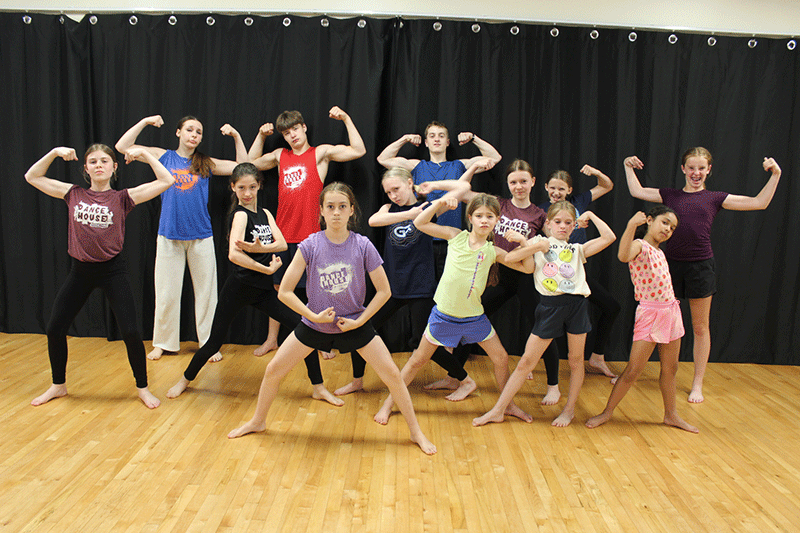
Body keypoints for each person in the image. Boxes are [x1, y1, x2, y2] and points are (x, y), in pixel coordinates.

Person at [228, 183, 436, 454]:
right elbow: (285, 292)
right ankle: (258, 421)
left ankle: (416, 432)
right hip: (315, 323)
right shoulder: (310, 245)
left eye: (342, 207)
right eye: (330, 207)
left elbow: (385, 291)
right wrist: (312, 315)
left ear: (351, 210)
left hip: (352, 323)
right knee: (273, 371)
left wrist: (361, 322)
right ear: (322, 211)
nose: (336, 213)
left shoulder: (363, 245)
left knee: (393, 377)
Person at [165, 163, 341, 405]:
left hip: (263, 291)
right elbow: (234, 256)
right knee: (214, 342)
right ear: (233, 188)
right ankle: (184, 380)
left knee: (304, 330)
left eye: (252, 187)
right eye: (241, 188)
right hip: (239, 287)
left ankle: (318, 386)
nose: (247, 193)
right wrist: (265, 267)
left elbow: (281, 244)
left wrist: (260, 249)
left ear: (259, 186)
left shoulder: (265, 214)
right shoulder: (240, 215)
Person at [624, 149, 781, 403]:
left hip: (700, 267)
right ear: (683, 169)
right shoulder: (670, 195)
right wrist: (627, 167)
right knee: (657, 320)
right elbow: (637, 191)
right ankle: (636, 370)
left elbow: (759, 202)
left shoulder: (715, 197)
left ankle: (697, 382)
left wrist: (775, 174)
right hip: (668, 266)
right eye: (691, 168)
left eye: (701, 168)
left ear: (709, 170)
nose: (696, 173)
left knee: (699, 327)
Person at [25, 144, 175, 409]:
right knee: (54, 328)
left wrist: (146, 155)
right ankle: (58, 385)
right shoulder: (73, 194)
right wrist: (54, 153)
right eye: (92, 161)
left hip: (113, 271)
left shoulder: (123, 198)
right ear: (85, 168)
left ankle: (142, 388)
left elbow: (167, 179)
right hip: (80, 271)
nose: (98, 165)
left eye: (104, 161)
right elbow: (32, 177)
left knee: (130, 331)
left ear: (114, 167)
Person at [373, 188, 535, 425]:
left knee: (500, 358)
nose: (484, 220)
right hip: (445, 317)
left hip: (474, 319)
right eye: (479, 215)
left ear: (497, 221)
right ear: (470, 218)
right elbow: (419, 222)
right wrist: (439, 204)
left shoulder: (493, 251)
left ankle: (507, 405)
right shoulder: (455, 235)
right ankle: (389, 403)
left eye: (490, 216)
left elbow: (528, 267)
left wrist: (525, 242)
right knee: (418, 360)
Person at [116, 115, 248, 362]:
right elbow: (122, 147)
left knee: (207, 295)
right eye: (189, 129)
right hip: (169, 235)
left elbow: (245, 167)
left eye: (198, 132)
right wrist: (144, 122)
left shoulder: (205, 163)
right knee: (166, 293)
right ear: (178, 132)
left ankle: (209, 344)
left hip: (201, 236)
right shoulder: (164, 156)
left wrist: (236, 136)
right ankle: (163, 343)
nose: (194, 135)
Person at [472, 201, 616, 427]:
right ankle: (498, 409)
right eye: (557, 222)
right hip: (550, 307)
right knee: (526, 362)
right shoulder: (539, 242)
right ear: (547, 223)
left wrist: (589, 215)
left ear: (574, 226)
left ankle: (569, 411)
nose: (563, 226)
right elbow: (519, 261)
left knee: (576, 361)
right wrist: (524, 242)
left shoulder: (577, 249)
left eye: (568, 223)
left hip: (577, 306)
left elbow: (609, 238)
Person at [247, 107, 366, 357]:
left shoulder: (319, 153)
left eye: (295, 129)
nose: (292, 135)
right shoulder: (281, 155)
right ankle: (272, 339)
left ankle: (325, 341)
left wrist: (346, 118)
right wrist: (260, 136)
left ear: (304, 128)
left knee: (319, 290)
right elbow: (249, 165)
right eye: (287, 133)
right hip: (283, 234)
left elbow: (359, 150)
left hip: (313, 236)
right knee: (279, 289)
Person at [586, 207, 698, 432]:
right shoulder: (640, 245)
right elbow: (622, 255)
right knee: (633, 371)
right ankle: (607, 412)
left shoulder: (659, 251)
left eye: (672, 227)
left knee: (671, 369)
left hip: (671, 313)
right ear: (649, 220)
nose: (668, 229)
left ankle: (671, 415)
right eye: (665, 223)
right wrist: (630, 225)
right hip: (650, 313)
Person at [376, 123, 501, 277]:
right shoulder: (417, 165)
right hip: (422, 237)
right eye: (432, 136)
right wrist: (404, 139)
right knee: (425, 287)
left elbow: (495, 158)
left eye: (441, 136)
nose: (437, 139)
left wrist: (474, 138)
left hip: (451, 237)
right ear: (426, 142)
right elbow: (383, 159)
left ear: (447, 142)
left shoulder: (459, 165)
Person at [539, 165, 619, 380]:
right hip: (554, 276)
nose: (556, 193)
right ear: (546, 187)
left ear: (569, 190)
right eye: (552, 188)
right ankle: (538, 363)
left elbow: (607, 185)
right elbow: (547, 238)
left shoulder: (579, 203)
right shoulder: (542, 210)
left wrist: (596, 173)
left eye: (561, 189)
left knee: (611, 307)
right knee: (547, 322)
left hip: (578, 274)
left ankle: (597, 357)